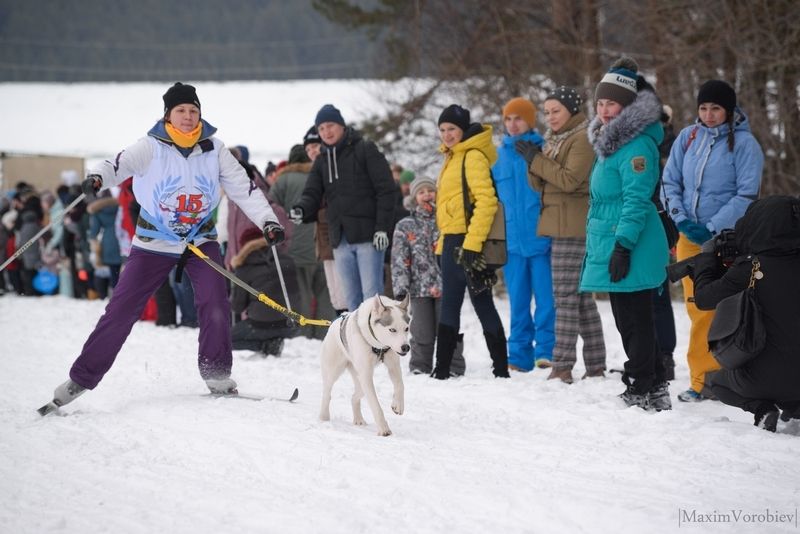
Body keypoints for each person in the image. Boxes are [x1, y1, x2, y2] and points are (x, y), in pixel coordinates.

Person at [45, 82, 285, 408]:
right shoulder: (151, 146)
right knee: (120, 311)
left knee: (215, 303)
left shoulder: (215, 149)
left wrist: (268, 221)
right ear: (168, 115)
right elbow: (117, 165)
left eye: (193, 111)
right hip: (154, 241)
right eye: (181, 111)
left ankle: (216, 371)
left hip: (199, 240)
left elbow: (245, 189)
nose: (188, 117)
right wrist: (98, 178)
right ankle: (81, 378)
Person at [662, 79, 764, 402]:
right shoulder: (687, 138)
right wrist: (680, 218)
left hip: (727, 240)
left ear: (729, 110)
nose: (708, 115)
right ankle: (702, 380)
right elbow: (669, 181)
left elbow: (747, 194)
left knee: (729, 308)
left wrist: (712, 227)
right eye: (703, 108)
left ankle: (734, 376)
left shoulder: (746, 145)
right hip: (689, 237)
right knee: (698, 308)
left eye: (716, 108)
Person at [580, 57, 670, 410]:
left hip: (631, 242)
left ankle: (641, 384)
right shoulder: (611, 142)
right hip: (615, 240)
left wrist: (623, 246)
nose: (604, 110)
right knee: (629, 318)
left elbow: (635, 199)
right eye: (600, 103)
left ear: (627, 106)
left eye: (611, 103)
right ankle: (656, 384)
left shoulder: (636, 145)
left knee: (635, 320)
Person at [692, 196, 800, 432]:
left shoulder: (751, 267)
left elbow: (703, 299)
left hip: (762, 379)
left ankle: (763, 409)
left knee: (717, 382)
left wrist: (707, 260)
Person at [524, 86, 606, 384]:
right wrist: (533, 161)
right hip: (560, 223)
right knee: (581, 298)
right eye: (546, 112)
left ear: (571, 109)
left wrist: (538, 162)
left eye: (555, 111)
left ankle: (562, 365)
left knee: (564, 297)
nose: (550, 117)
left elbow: (569, 180)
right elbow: (540, 184)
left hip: (573, 225)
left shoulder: (581, 138)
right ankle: (596, 365)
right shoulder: (555, 139)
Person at [290, 104, 396, 312]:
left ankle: (377, 344)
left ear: (341, 126)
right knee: (351, 301)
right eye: (321, 129)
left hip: (369, 237)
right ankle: (357, 344)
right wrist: (301, 210)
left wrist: (382, 228)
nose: (326, 132)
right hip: (340, 239)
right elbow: (311, 193)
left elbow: (386, 190)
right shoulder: (322, 161)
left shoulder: (365, 149)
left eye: (330, 126)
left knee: (372, 298)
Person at [430, 104, 508, 379]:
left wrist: (472, 245)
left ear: (463, 129)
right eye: (442, 130)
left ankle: (498, 368)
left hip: (467, 243)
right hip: (452, 241)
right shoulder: (451, 157)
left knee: (475, 302)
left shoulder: (471, 156)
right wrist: (442, 247)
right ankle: (445, 370)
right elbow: (451, 208)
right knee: (462, 302)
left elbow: (487, 202)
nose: (447, 135)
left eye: (452, 129)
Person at [495, 97, 555, 372]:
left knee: (546, 301)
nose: (513, 124)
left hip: (542, 239)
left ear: (530, 121)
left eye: (518, 118)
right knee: (518, 302)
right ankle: (518, 355)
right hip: (513, 243)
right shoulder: (498, 157)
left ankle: (546, 351)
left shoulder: (544, 149)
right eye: (508, 119)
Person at [391, 176, 466, 375]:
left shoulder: (447, 220)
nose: (427, 195)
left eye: (430, 191)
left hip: (446, 285)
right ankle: (420, 366)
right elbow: (399, 259)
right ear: (414, 197)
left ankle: (453, 366)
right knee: (421, 330)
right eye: (421, 192)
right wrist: (401, 288)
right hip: (418, 288)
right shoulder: (405, 225)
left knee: (448, 327)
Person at [269, 143, 335, 340]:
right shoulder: (321, 178)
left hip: (294, 247)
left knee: (302, 292)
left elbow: (271, 209)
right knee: (325, 292)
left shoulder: (283, 181)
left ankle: (302, 333)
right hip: (323, 244)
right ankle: (325, 333)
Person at [230, 227, 299, 357]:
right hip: (291, 324)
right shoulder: (285, 259)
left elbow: (237, 307)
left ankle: (265, 345)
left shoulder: (244, 267)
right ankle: (273, 341)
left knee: (223, 340)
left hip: (261, 325)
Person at [302, 125, 347, 315]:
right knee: (335, 295)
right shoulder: (315, 171)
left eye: (315, 146)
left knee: (344, 292)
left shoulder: (335, 168)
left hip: (339, 237)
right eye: (308, 149)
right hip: (324, 240)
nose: (312, 151)